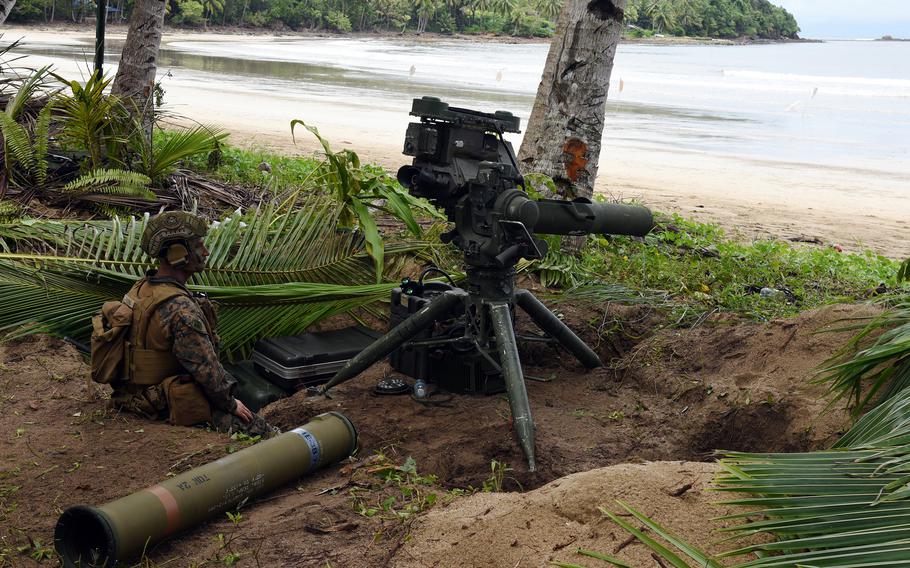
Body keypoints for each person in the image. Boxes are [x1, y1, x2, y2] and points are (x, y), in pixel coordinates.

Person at [108, 211, 276, 437]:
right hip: (160, 404)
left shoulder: (142, 287)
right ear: (178, 253)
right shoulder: (180, 309)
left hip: (134, 395)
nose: (206, 252)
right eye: (198, 245)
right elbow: (207, 371)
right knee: (264, 432)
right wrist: (231, 404)